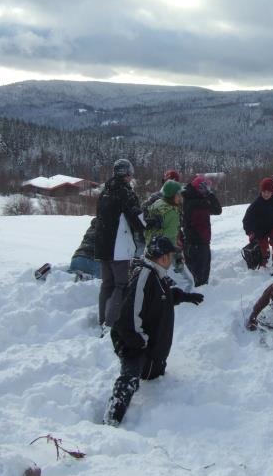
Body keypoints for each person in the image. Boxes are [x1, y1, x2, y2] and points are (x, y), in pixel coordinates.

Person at [104, 236, 204, 426]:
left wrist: (184, 297)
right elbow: (129, 315)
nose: (172, 259)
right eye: (171, 255)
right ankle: (112, 418)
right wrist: (140, 342)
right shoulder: (144, 276)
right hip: (134, 344)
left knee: (152, 373)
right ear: (164, 257)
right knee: (130, 375)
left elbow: (162, 297)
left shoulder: (156, 274)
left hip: (151, 350)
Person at [95, 158, 146, 328]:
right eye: (130, 173)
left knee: (107, 284)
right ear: (127, 173)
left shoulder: (105, 192)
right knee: (121, 284)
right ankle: (111, 324)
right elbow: (137, 218)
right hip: (118, 247)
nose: (131, 177)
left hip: (102, 245)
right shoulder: (125, 192)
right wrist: (151, 223)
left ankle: (102, 319)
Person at [181, 175, 222, 286]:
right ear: (199, 188)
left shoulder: (189, 198)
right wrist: (209, 195)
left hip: (194, 242)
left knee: (194, 276)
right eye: (205, 187)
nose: (207, 190)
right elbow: (217, 209)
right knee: (200, 279)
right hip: (198, 244)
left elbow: (217, 210)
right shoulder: (196, 202)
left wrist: (207, 194)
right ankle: (201, 299)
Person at [242, 177, 273, 272]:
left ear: (272, 192)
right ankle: (263, 266)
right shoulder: (255, 204)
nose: (266, 194)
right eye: (264, 191)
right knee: (262, 250)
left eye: (269, 192)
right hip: (259, 230)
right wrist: (250, 232)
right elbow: (246, 220)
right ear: (261, 191)